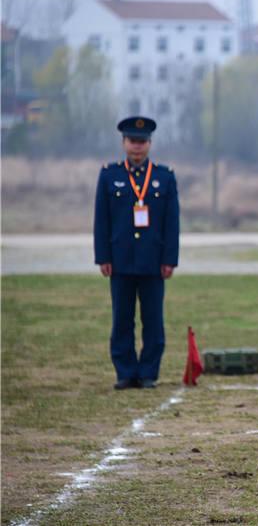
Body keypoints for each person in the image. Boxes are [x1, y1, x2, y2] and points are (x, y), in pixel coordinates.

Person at [93, 116, 180, 390]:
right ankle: (126, 371)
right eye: (132, 141)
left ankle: (148, 373)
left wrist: (169, 259)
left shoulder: (164, 177)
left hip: (153, 262)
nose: (137, 147)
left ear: (150, 144)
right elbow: (101, 221)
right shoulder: (109, 176)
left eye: (142, 142)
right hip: (120, 262)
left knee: (153, 320)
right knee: (122, 319)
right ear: (124, 143)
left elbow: (171, 223)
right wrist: (103, 257)